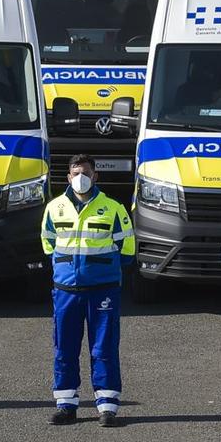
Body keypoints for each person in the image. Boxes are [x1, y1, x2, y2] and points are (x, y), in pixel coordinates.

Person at [41, 155, 134, 427]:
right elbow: (48, 243)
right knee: (64, 348)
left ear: (95, 177)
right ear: (68, 177)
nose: (80, 177)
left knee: (103, 347)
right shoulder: (54, 208)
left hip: (102, 289)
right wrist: (66, 270)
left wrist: (102, 270)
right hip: (66, 290)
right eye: (75, 172)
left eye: (85, 172)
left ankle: (107, 406)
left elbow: (127, 248)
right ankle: (66, 405)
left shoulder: (113, 208)